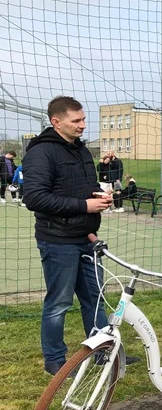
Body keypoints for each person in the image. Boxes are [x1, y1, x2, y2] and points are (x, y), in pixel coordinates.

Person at [22, 96, 139, 374]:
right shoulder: (41, 153)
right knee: (59, 302)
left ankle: (102, 353)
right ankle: (55, 362)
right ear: (56, 122)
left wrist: (98, 197)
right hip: (57, 241)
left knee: (95, 298)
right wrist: (84, 205)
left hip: (86, 239)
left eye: (84, 119)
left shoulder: (82, 151)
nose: (83, 125)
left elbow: (80, 188)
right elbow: (35, 198)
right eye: (76, 121)